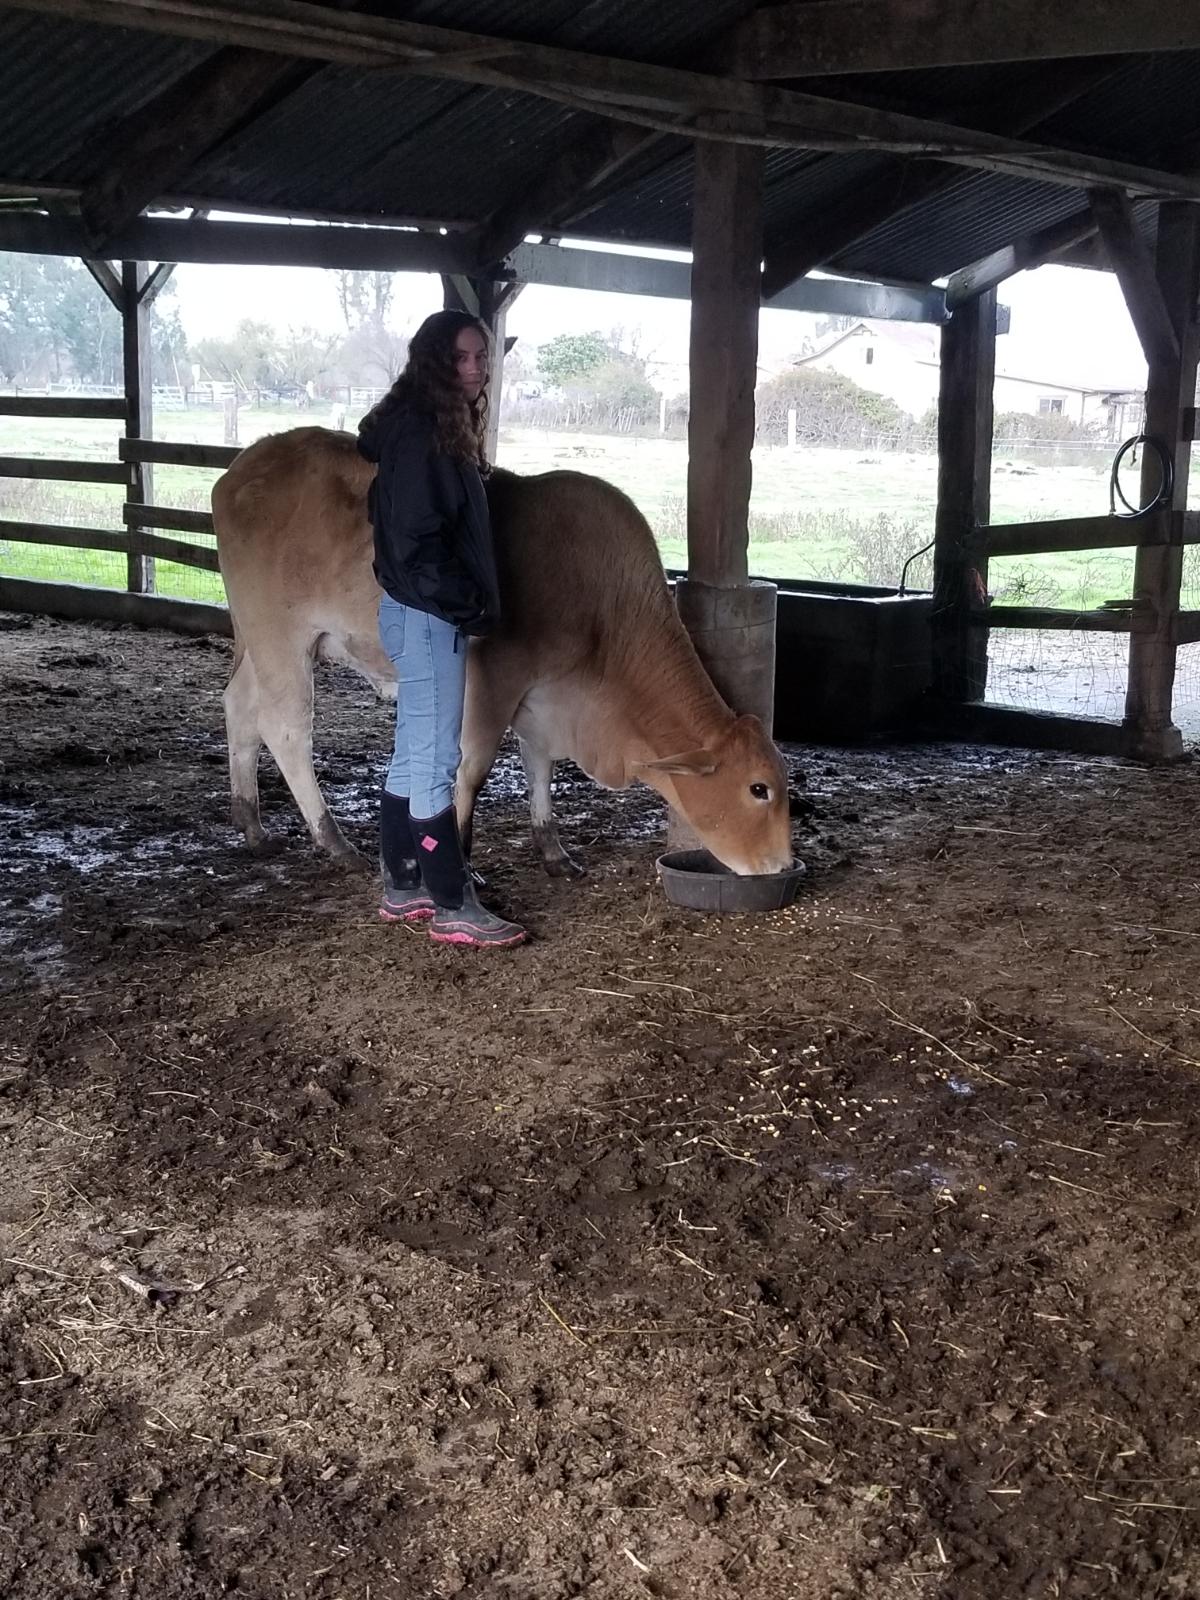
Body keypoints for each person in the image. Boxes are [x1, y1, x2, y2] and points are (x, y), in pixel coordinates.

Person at [357, 310, 526, 949]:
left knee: (412, 751)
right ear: (435, 361)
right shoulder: (425, 435)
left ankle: (404, 884)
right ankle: (453, 901)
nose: (477, 368)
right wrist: (463, 603)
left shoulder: (425, 426)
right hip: (429, 616)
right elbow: (415, 538)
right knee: (436, 760)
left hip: (415, 611)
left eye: (483, 357)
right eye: (463, 358)